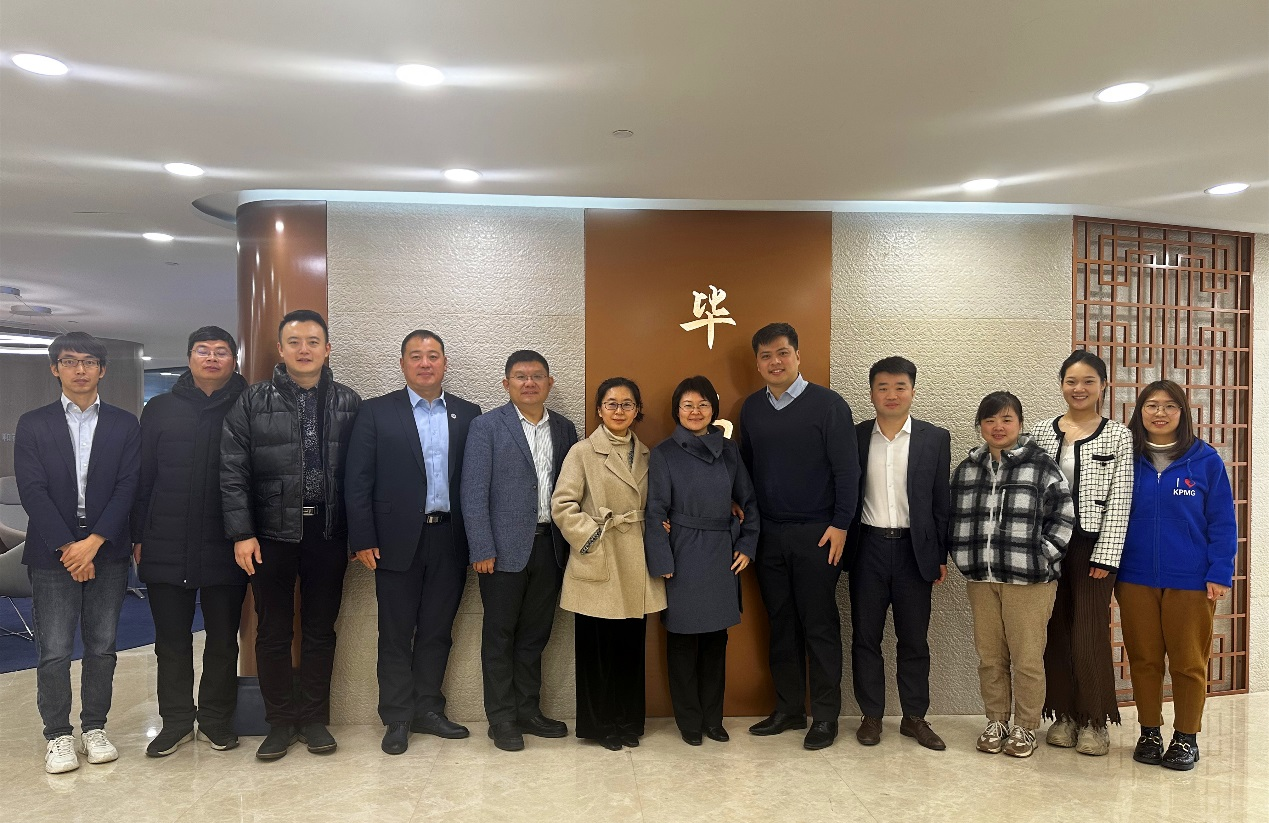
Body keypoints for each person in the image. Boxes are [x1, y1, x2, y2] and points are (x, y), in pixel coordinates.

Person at [221, 309, 361, 760]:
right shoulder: (252, 401)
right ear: (280, 349)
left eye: (313, 341)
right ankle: (279, 722)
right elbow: (232, 470)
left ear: (327, 349)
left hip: (328, 531)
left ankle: (315, 719)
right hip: (269, 534)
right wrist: (242, 532)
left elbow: (362, 475)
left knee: (321, 629)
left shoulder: (348, 402)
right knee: (273, 631)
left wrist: (359, 533)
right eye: (295, 342)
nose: (304, 350)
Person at [345, 330, 481, 754]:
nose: (425, 363)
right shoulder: (375, 412)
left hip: (451, 537)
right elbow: (357, 480)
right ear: (403, 363)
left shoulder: (468, 413)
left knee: (438, 631)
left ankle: (429, 710)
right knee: (395, 632)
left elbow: (476, 481)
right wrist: (362, 537)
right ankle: (397, 717)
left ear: (445, 363)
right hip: (393, 541)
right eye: (416, 356)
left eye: (433, 356)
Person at [15, 332, 140, 774]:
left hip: (107, 549)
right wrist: (70, 547)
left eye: (89, 361)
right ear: (55, 369)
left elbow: (128, 486)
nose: (80, 369)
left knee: (102, 646)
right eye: (69, 361)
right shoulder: (34, 423)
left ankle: (94, 728)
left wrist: (94, 542)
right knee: (53, 648)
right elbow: (32, 490)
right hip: (54, 551)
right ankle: (57, 735)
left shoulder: (125, 424)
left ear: (102, 370)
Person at [739, 322, 859, 750]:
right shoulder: (751, 409)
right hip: (769, 534)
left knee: (819, 625)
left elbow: (848, 471)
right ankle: (789, 709)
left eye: (782, 353)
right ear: (757, 363)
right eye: (766, 355)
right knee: (781, 624)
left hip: (818, 534)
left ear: (797, 356)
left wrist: (841, 524)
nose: (775, 362)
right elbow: (747, 469)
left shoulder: (828, 405)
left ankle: (825, 716)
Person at [131, 326, 248, 757]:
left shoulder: (248, 405)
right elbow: (142, 477)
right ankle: (177, 721)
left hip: (227, 541)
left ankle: (216, 719)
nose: (212, 358)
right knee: (171, 641)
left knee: (223, 639)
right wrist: (137, 535)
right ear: (189, 358)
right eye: (203, 350)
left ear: (234, 360)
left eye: (221, 351)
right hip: (165, 539)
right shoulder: (160, 408)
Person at [1116, 380, 1236, 771]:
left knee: (1188, 662)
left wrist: (1220, 571)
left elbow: (1222, 521)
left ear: (1183, 413)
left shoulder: (1205, 460)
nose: (1160, 413)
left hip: (1191, 579)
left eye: (1170, 406)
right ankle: (1149, 732)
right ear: (1140, 411)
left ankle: (1186, 737)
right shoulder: (1125, 458)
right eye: (1152, 405)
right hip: (1135, 577)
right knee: (1144, 660)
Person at [462, 350, 578, 752]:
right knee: (499, 636)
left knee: (535, 635)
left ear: (549, 383)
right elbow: (473, 492)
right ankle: (502, 719)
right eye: (520, 376)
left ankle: (528, 711)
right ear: (506, 383)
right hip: (500, 551)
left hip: (551, 547)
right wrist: (482, 546)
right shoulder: (486, 426)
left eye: (537, 376)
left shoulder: (564, 428)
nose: (529, 383)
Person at [950, 391, 1074, 759]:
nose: (998, 427)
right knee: (990, 658)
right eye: (990, 420)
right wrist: (963, 556)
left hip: (1030, 582)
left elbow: (1063, 517)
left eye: (1006, 419)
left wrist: (1041, 556)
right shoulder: (967, 469)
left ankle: (1026, 726)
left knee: (1027, 660)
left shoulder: (1041, 465)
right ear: (980, 425)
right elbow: (953, 517)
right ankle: (996, 721)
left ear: (1019, 423)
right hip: (982, 579)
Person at [552, 377, 667, 751]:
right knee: (596, 648)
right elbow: (562, 505)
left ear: (637, 410)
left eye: (627, 404)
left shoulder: (647, 454)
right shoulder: (583, 451)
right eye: (611, 404)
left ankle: (628, 722)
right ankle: (600, 725)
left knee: (630, 647)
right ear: (599, 410)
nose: (619, 410)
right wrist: (591, 536)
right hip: (599, 556)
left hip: (635, 560)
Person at [644, 376, 759, 746]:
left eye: (703, 404)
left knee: (715, 641)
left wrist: (748, 545)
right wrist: (662, 558)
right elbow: (655, 510)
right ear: (676, 410)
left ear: (714, 409)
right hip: (681, 553)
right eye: (688, 405)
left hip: (722, 553)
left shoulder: (729, 450)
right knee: (681, 642)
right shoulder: (663, 452)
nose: (695, 412)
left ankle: (713, 719)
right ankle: (689, 722)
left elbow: (749, 501)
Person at [1029, 351, 1134, 756]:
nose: (1079, 388)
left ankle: (1094, 720)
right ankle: (1063, 715)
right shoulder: (1041, 431)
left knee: (1088, 631)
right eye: (1071, 381)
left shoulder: (1118, 435)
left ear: (1103, 385)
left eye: (1089, 381)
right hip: (1047, 544)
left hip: (1092, 545)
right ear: (1061, 384)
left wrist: (1106, 555)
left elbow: (1121, 498)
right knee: (1053, 628)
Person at [844, 357, 950, 751]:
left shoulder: (934, 438)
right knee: (865, 637)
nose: (891, 394)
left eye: (900, 386)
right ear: (872, 392)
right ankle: (871, 716)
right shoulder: (855, 437)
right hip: (867, 548)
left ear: (912, 391)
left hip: (914, 552)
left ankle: (914, 717)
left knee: (914, 640)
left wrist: (940, 554)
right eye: (883, 387)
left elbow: (941, 502)